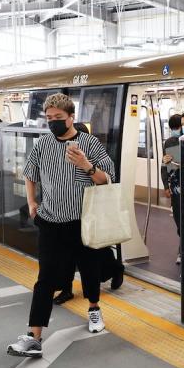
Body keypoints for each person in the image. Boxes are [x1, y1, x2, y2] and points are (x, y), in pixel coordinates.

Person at [7, 93, 115, 358]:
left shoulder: (89, 143)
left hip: (83, 221)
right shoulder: (43, 144)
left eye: (58, 118)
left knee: (89, 269)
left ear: (71, 118)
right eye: (49, 118)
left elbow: (107, 179)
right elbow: (30, 174)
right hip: (50, 221)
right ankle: (34, 337)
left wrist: (86, 165)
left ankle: (93, 309)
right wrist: (32, 203)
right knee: (45, 280)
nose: (53, 122)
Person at [50, 119, 124, 305]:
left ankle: (115, 270)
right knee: (67, 254)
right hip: (66, 213)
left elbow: (109, 177)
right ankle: (66, 289)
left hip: (90, 210)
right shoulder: (59, 154)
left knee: (95, 249)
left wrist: (86, 165)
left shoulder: (93, 155)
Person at [161, 114, 183, 264]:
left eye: (178, 127)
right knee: (178, 218)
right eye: (173, 128)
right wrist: (165, 185)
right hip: (175, 185)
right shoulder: (169, 142)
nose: (176, 130)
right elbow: (165, 165)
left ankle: (183, 250)